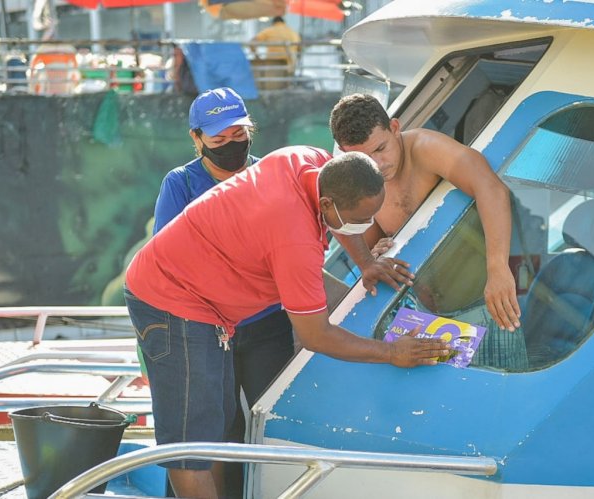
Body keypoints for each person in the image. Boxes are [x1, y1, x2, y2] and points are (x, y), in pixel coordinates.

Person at [125, 145, 449, 499]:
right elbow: (315, 334)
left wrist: (365, 261)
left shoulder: (307, 160)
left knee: (216, 426)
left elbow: (341, 214)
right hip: (171, 301)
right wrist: (391, 353)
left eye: (373, 215)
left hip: (205, 300)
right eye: (361, 218)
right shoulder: (294, 239)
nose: (367, 226)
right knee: (192, 448)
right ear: (327, 205)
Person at [152, 87, 295, 498]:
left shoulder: (271, 175)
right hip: (206, 329)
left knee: (277, 420)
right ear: (196, 139)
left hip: (266, 323)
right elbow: (169, 258)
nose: (230, 146)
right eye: (218, 140)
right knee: (213, 429)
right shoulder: (180, 184)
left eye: (238, 135)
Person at [329, 93, 520, 332]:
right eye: (363, 158)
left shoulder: (425, 148)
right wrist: (374, 256)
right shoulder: (359, 182)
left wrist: (498, 269)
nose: (376, 164)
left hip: (489, 300)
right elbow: (373, 249)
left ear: (394, 127)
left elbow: (491, 189)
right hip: (424, 315)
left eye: (380, 148)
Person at [251, 16, 300, 90]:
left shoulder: (270, 30)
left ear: (273, 23)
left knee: (271, 89)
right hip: (289, 67)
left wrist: (257, 56)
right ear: (284, 23)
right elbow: (299, 49)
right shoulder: (293, 33)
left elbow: (252, 42)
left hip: (272, 66)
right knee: (286, 90)